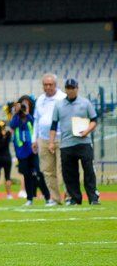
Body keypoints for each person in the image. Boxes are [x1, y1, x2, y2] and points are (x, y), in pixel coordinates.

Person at [50, 78, 100, 206]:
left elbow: (94, 120)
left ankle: (93, 197)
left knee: (88, 170)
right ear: (65, 89)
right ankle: (75, 198)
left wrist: (87, 131)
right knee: (69, 173)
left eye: (73, 88)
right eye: (68, 88)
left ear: (77, 88)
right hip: (66, 144)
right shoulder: (59, 105)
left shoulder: (85, 103)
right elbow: (54, 125)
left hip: (84, 142)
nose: (71, 90)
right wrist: (51, 142)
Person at [10, 95, 51, 206]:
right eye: (22, 104)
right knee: (26, 174)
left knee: (39, 172)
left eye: (26, 104)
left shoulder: (33, 116)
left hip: (33, 149)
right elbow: (12, 126)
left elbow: (35, 125)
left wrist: (27, 113)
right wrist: (16, 113)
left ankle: (47, 197)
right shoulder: (17, 118)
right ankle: (29, 198)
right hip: (21, 151)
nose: (24, 106)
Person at [33, 73, 66, 205]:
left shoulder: (63, 98)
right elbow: (37, 120)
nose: (48, 87)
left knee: (63, 169)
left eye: (50, 84)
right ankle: (55, 198)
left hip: (61, 137)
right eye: (45, 85)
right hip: (43, 139)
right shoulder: (40, 99)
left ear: (55, 85)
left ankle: (69, 196)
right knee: (47, 170)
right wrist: (34, 139)